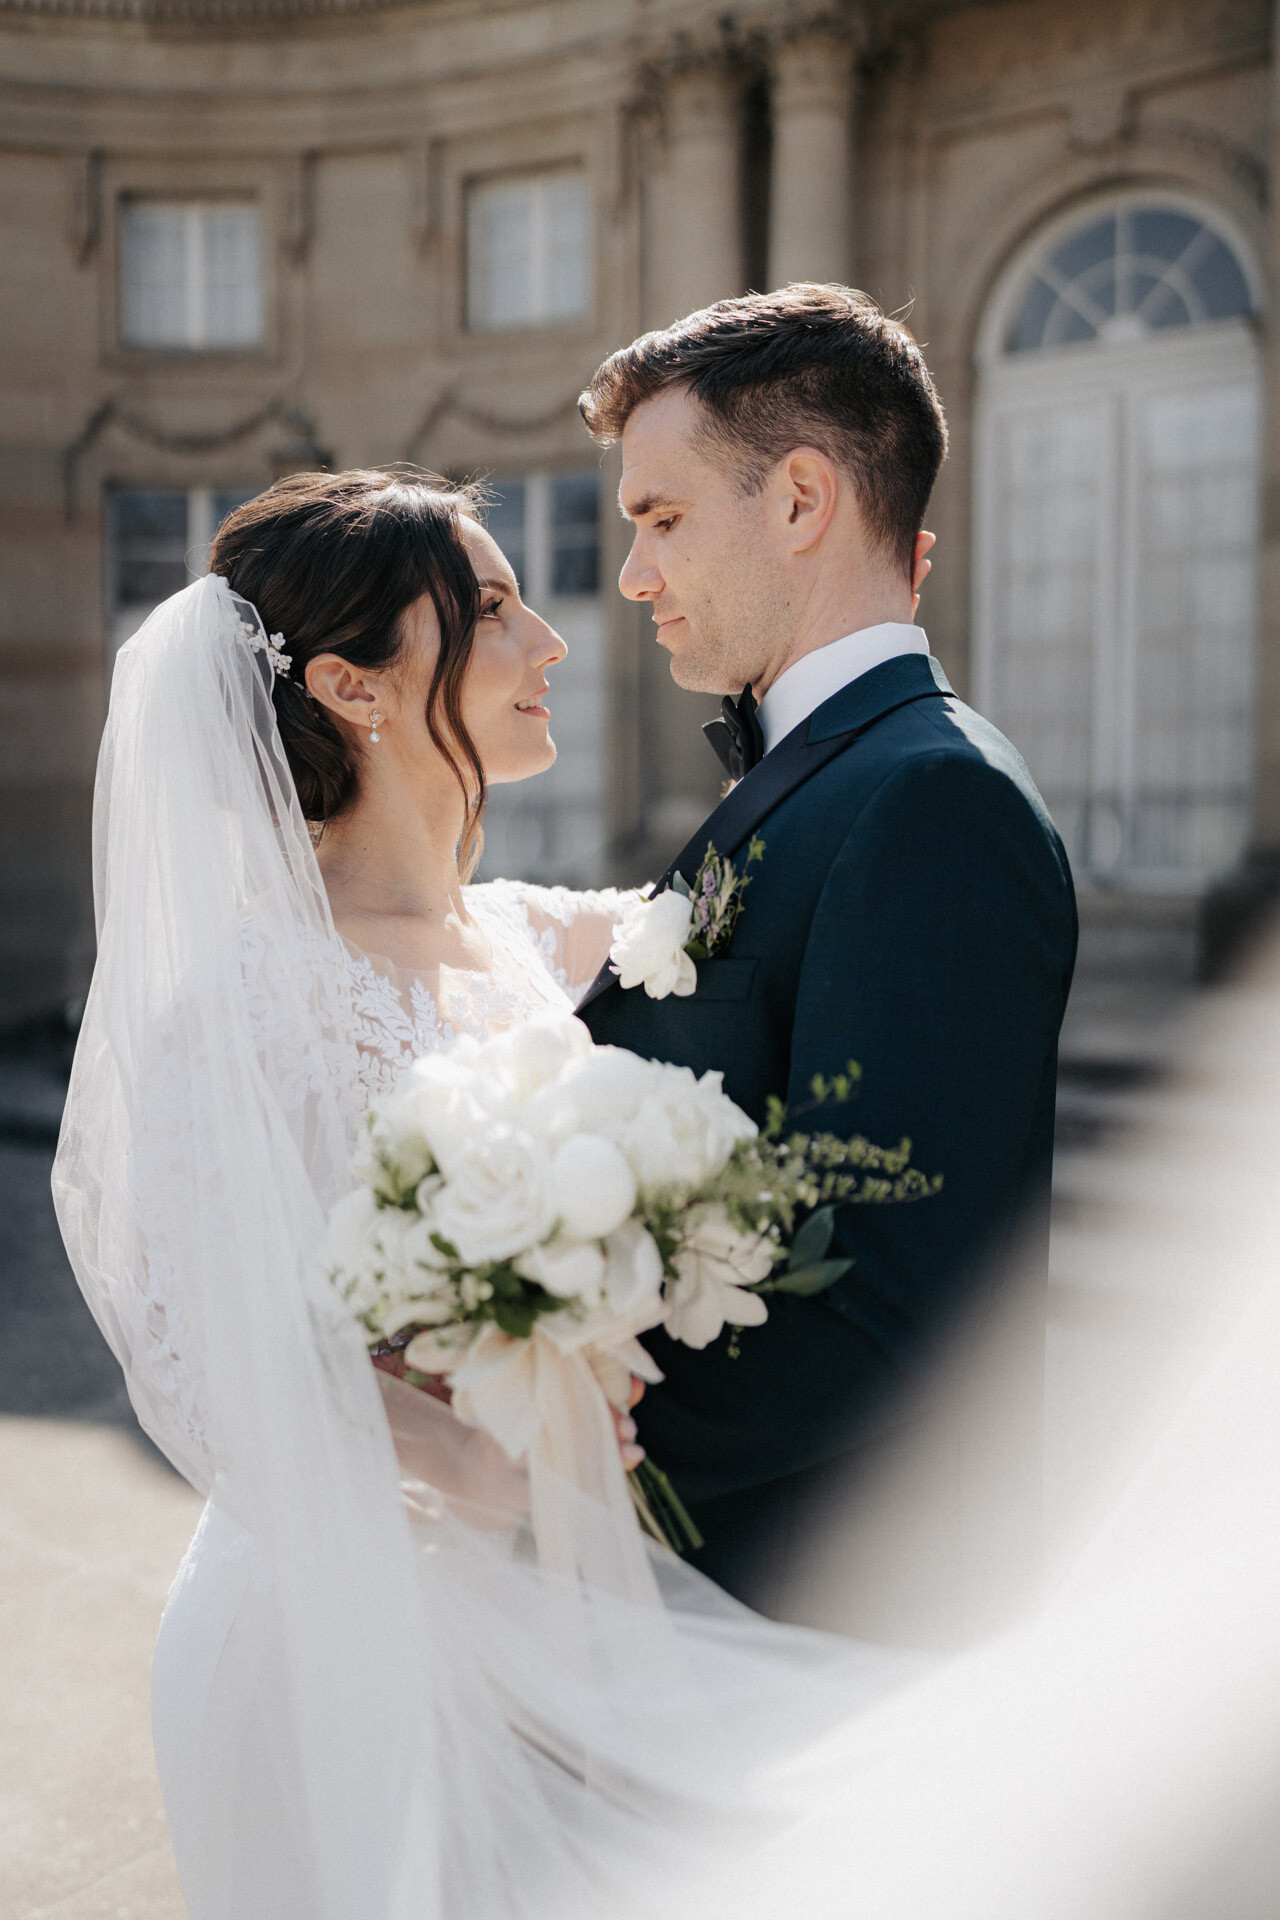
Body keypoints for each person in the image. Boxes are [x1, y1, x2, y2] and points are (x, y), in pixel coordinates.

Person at [49, 467, 928, 1920]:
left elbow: (793, 886)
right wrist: (508, 1477)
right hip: (343, 1644)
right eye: (495, 609)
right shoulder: (241, 996)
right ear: (353, 686)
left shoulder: (542, 937)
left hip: (565, 1594)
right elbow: (213, 1375)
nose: (555, 642)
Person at [576, 284, 1078, 1633]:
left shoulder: (932, 802)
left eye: (662, 519)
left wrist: (559, 1455)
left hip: (811, 1629)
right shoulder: (829, 773)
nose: (634, 576)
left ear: (801, 502)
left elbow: (894, 1311)